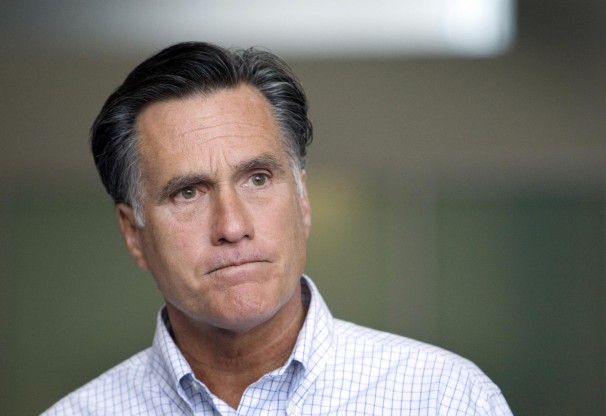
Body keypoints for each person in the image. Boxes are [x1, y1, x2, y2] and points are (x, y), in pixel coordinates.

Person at [43, 41, 512, 415]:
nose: (232, 226)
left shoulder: (445, 399)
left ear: (302, 200)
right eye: (188, 192)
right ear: (133, 234)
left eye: (258, 179)